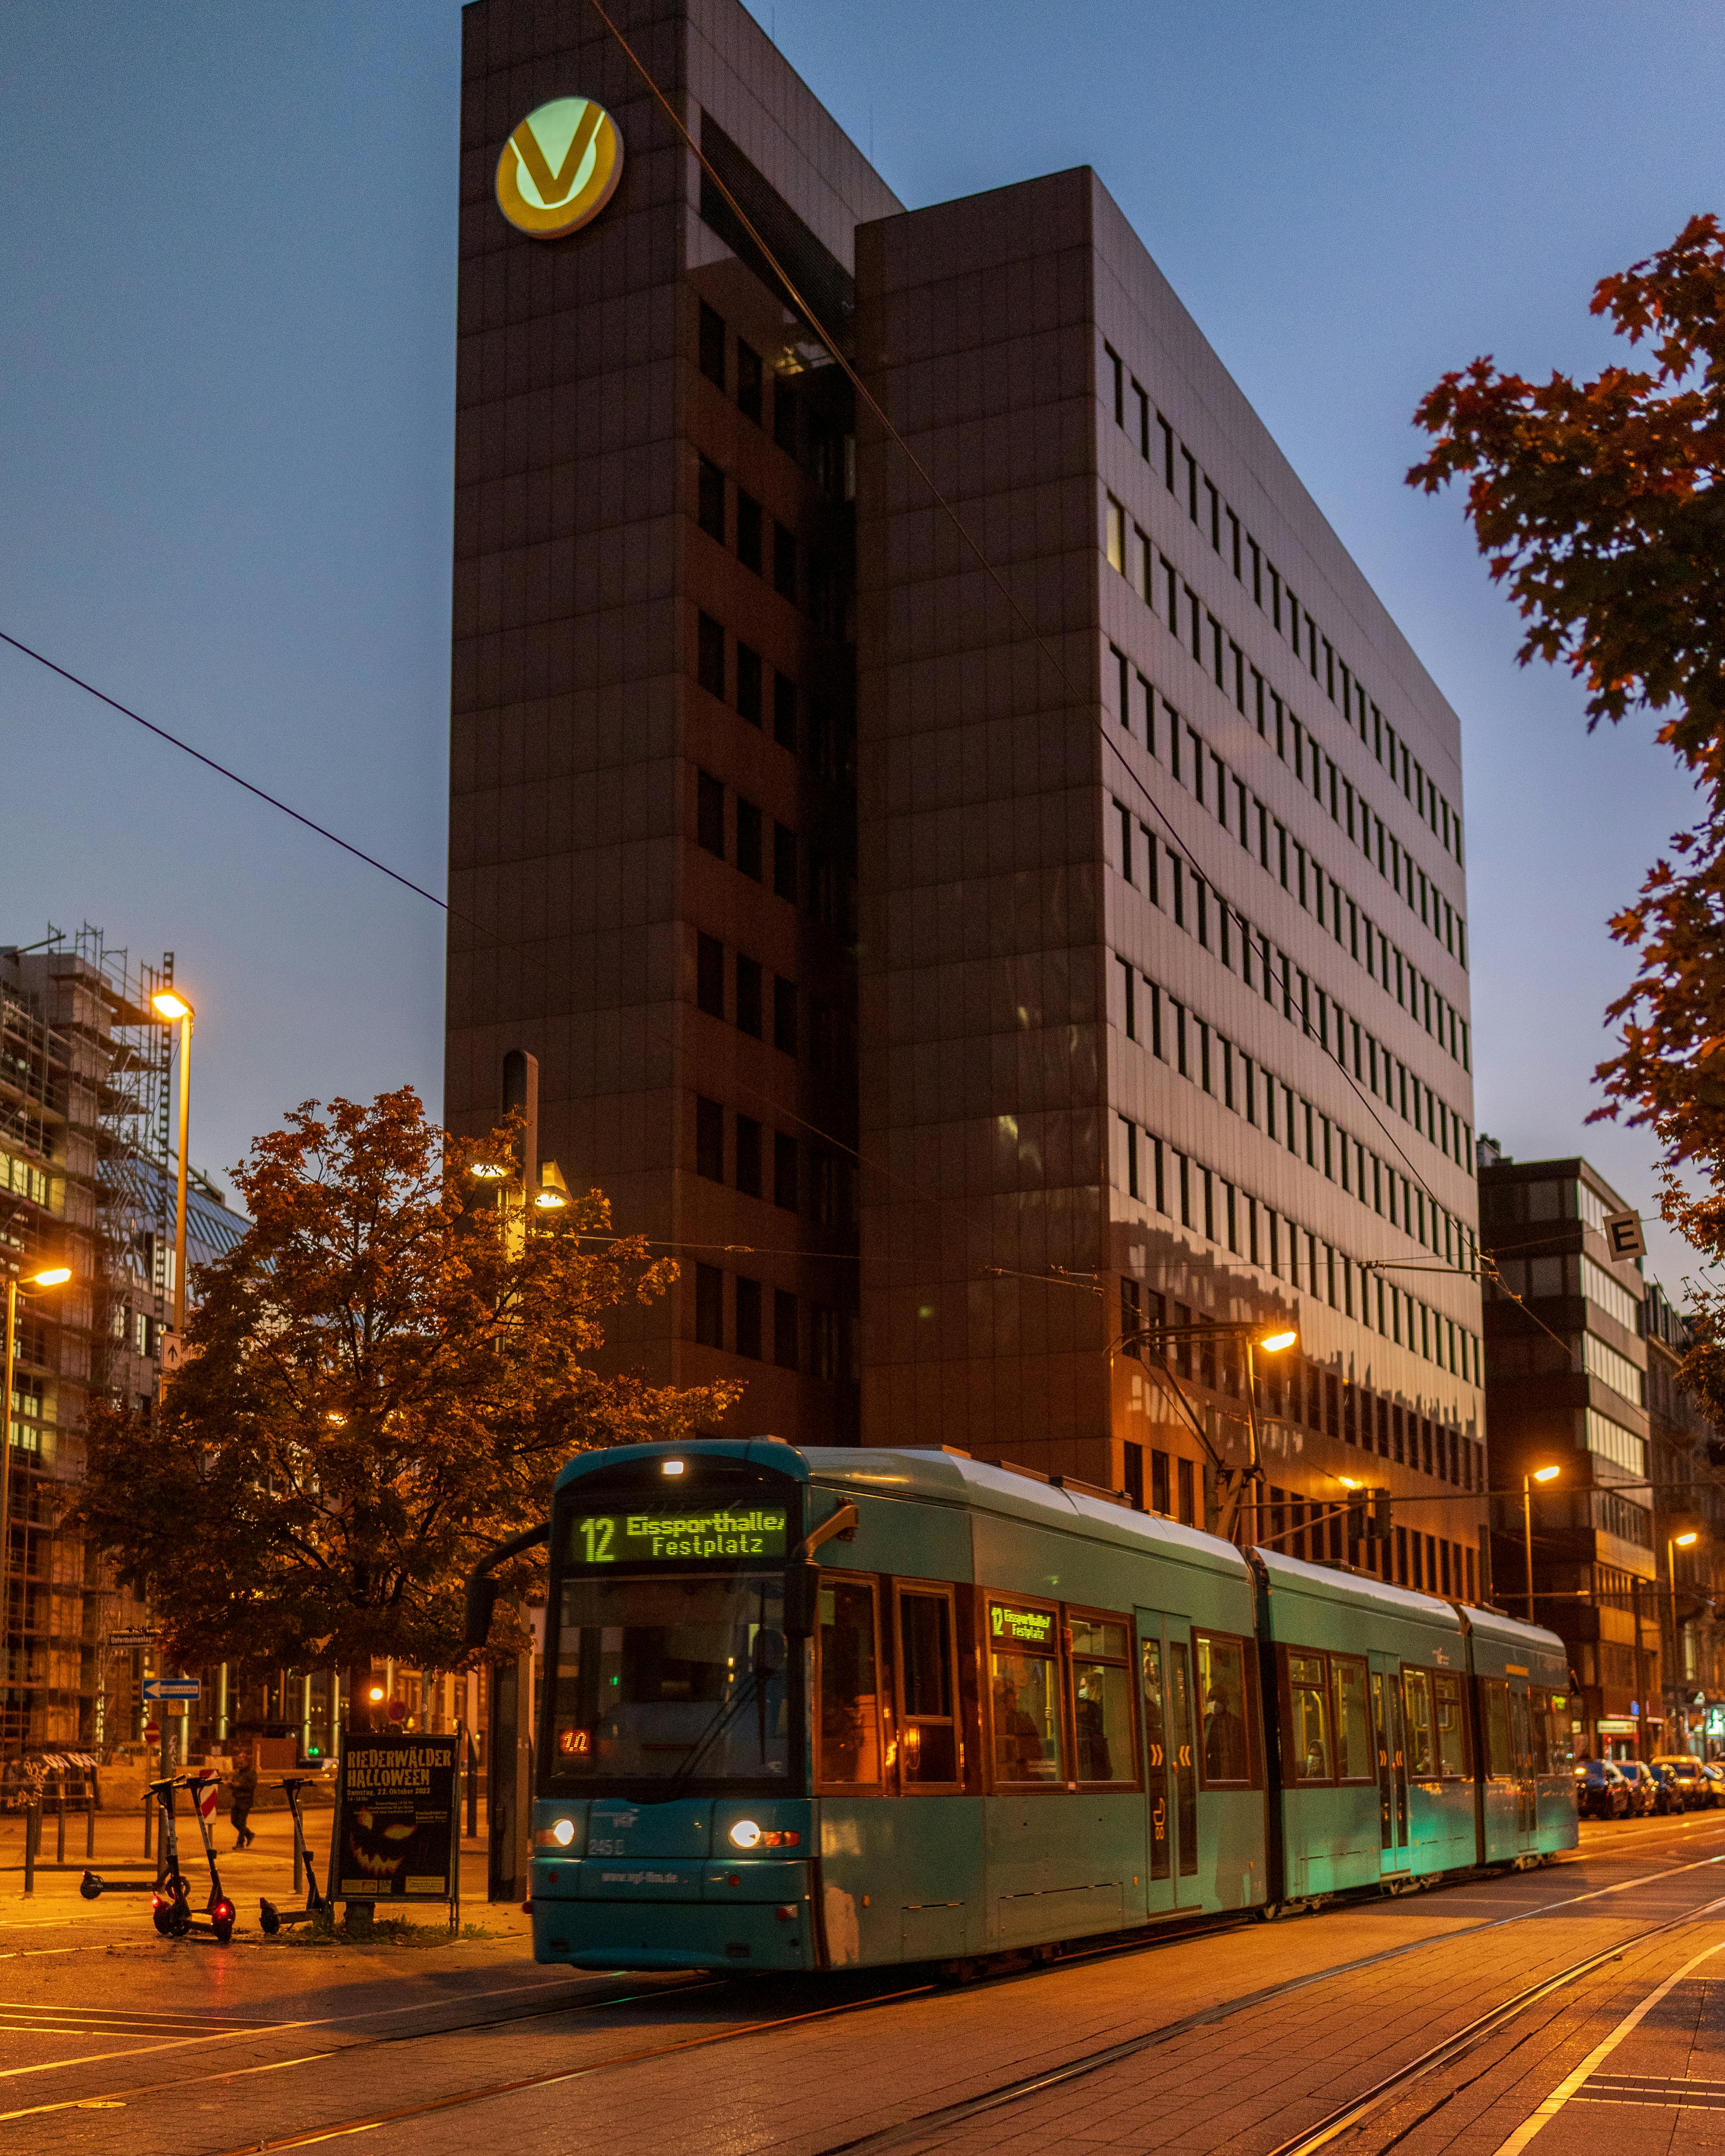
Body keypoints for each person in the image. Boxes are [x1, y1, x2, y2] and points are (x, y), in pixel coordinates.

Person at [1204, 1687, 1248, 1781]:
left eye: (1219, 1699)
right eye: (1212, 1699)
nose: (1214, 1702)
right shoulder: (1205, 1722)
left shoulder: (1236, 1723)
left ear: (1226, 1702)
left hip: (1232, 1774)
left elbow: (1242, 1751)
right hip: (1211, 1773)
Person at [229, 1746, 257, 1850]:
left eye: (241, 1763)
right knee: (234, 1821)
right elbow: (234, 1782)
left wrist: (240, 1786)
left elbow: (252, 1786)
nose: (239, 1765)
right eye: (238, 1763)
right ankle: (249, 1834)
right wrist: (232, 1785)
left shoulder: (251, 1772)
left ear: (246, 1762)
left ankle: (240, 1843)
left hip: (246, 1800)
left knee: (242, 1822)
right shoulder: (238, 1773)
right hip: (238, 1799)